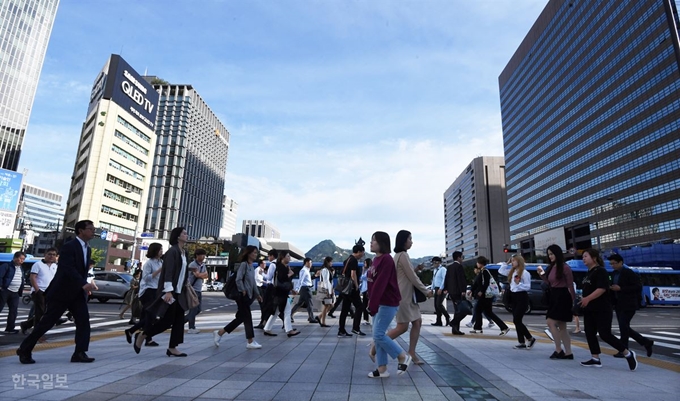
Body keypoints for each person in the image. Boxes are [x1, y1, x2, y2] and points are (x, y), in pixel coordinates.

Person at [17, 220, 98, 364]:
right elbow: (67, 268)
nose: (93, 231)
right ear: (80, 230)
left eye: (94, 229)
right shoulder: (69, 246)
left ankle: (79, 352)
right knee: (47, 322)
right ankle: (24, 349)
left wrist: (86, 284)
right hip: (62, 292)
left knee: (84, 321)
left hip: (78, 293)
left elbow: (81, 270)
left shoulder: (88, 248)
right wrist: (83, 283)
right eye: (90, 229)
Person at [370, 230, 432, 364]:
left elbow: (407, 273)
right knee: (402, 327)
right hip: (403, 297)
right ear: (404, 241)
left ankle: (411, 352)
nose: (411, 242)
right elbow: (412, 276)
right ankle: (377, 345)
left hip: (408, 296)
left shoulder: (398, 256)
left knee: (417, 322)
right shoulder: (402, 255)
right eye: (410, 239)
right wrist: (426, 291)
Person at [133, 227, 190, 357]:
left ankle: (172, 347)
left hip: (179, 291)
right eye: (184, 233)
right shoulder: (172, 252)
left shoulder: (184, 253)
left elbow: (183, 272)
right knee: (167, 321)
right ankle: (143, 335)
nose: (187, 235)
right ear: (177, 237)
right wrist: (168, 290)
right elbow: (168, 272)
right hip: (170, 291)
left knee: (179, 320)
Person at [578, 248, 637, 371]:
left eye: (586, 256)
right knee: (589, 332)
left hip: (602, 308)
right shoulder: (588, 273)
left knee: (605, 334)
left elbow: (602, 288)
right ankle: (595, 358)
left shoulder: (601, 271)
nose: (583, 258)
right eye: (583, 256)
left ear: (594, 258)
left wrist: (587, 298)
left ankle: (628, 353)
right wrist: (583, 299)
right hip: (589, 309)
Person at [366, 231, 412, 378]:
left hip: (387, 303)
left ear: (382, 243)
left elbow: (380, 285)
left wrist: (372, 305)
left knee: (378, 334)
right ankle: (382, 369)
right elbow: (372, 284)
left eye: (374, 240)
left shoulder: (386, 259)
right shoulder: (376, 260)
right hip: (378, 303)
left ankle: (402, 356)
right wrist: (370, 302)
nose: (371, 243)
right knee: (377, 336)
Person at [213, 245, 263, 349]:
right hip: (242, 296)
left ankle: (219, 333)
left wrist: (258, 294)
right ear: (249, 254)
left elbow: (253, 283)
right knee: (247, 317)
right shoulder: (244, 265)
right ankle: (250, 341)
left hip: (248, 296)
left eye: (256, 252)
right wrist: (242, 289)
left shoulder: (251, 267)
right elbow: (238, 279)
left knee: (241, 318)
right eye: (254, 252)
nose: (255, 254)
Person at [607, 254, 654, 358]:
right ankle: (645, 343)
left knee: (624, 327)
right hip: (618, 304)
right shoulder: (614, 273)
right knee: (624, 327)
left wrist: (621, 289)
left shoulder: (628, 272)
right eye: (611, 264)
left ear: (621, 262)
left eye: (614, 263)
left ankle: (624, 350)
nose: (612, 265)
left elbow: (637, 287)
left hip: (629, 304)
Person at [537, 244, 576, 359]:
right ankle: (568, 352)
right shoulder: (551, 267)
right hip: (554, 295)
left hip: (563, 296)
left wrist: (574, 302)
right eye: (549, 254)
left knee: (550, 322)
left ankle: (559, 350)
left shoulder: (565, 267)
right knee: (562, 325)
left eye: (552, 254)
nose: (550, 256)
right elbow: (550, 283)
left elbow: (570, 285)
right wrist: (541, 275)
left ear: (557, 254)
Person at [125, 243, 163, 347]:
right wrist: (160, 270)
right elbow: (146, 278)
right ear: (154, 251)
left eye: (162, 249)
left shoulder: (161, 262)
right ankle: (142, 335)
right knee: (151, 315)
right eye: (160, 249)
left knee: (149, 316)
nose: (161, 251)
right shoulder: (149, 263)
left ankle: (135, 333)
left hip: (156, 290)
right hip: (148, 290)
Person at [499, 255, 536, 350]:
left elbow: (528, 286)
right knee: (516, 320)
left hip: (522, 296)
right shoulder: (513, 272)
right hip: (513, 297)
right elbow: (501, 271)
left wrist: (518, 284)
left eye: (513, 261)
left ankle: (530, 338)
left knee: (517, 320)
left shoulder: (525, 273)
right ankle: (521, 342)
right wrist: (505, 263)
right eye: (511, 261)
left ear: (519, 261)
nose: (512, 263)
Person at [19, 248, 58, 339]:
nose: (51, 256)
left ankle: (26, 325)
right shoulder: (38, 265)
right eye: (49, 254)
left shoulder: (55, 266)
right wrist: (37, 290)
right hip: (39, 291)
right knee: (40, 312)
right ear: (45, 254)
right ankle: (37, 334)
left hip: (51, 292)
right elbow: (33, 278)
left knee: (47, 313)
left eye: (53, 254)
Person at [263, 250, 300, 337]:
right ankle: (289, 330)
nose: (289, 258)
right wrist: (290, 274)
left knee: (276, 312)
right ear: (282, 257)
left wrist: (291, 289)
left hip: (280, 293)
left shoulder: (283, 266)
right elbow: (281, 279)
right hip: (280, 293)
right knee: (287, 311)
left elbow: (284, 281)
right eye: (287, 256)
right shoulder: (281, 267)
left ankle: (267, 328)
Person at [470, 256, 510, 335]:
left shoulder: (485, 271)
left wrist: (482, 291)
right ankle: (503, 327)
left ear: (481, 263)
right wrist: (472, 290)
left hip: (485, 295)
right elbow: (477, 284)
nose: (477, 264)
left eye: (478, 263)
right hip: (486, 295)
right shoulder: (482, 271)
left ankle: (478, 328)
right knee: (488, 312)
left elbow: (486, 283)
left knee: (478, 310)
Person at [338, 244, 366, 337]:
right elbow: (353, 274)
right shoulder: (354, 260)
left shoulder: (347, 259)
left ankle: (341, 330)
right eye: (362, 253)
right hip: (352, 288)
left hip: (345, 288)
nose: (362, 255)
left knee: (345, 309)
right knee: (360, 306)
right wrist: (357, 286)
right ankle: (356, 328)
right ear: (358, 252)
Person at [0, 251, 27, 334]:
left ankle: (10, 328)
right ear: (15, 258)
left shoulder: (21, 268)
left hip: (15, 292)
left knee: (13, 310)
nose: (22, 261)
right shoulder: (6, 266)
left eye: (23, 259)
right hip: (5, 290)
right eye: (20, 258)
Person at [442, 251, 468, 335]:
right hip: (458, 292)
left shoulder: (450, 267)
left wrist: (446, 288)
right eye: (462, 257)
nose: (462, 259)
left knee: (457, 310)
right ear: (458, 257)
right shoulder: (459, 267)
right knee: (461, 310)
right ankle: (453, 323)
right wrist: (463, 290)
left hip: (451, 292)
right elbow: (461, 279)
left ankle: (455, 329)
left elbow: (447, 278)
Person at [185, 248, 208, 334]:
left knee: (198, 309)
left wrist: (201, 275)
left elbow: (206, 275)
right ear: (197, 256)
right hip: (192, 289)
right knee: (193, 309)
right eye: (202, 255)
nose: (203, 256)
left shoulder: (203, 265)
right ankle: (191, 327)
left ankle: (183, 321)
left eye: (204, 255)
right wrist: (201, 275)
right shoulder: (192, 264)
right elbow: (197, 275)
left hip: (199, 289)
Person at [255, 249, 278, 329]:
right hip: (273, 287)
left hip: (270, 287)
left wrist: (263, 274)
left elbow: (269, 277)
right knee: (273, 306)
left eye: (268, 256)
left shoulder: (272, 265)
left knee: (267, 306)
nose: (268, 258)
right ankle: (264, 322)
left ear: (272, 256)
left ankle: (264, 323)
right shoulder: (278, 263)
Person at [291, 258, 318, 323]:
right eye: (310, 262)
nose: (311, 264)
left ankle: (290, 315)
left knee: (300, 303)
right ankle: (311, 318)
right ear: (306, 262)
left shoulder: (307, 270)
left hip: (305, 288)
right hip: (305, 289)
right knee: (310, 303)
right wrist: (297, 289)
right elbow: (301, 280)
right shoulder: (304, 270)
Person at [315, 256, 334, 328]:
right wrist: (328, 291)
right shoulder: (325, 270)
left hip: (328, 289)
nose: (332, 263)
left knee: (330, 305)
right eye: (331, 262)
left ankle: (319, 317)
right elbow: (326, 281)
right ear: (328, 262)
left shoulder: (327, 270)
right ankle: (323, 322)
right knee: (327, 305)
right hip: (326, 290)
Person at [430, 257, 449, 327]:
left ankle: (447, 317)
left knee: (439, 304)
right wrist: (432, 289)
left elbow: (444, 279)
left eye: (435, 262)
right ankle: (438, 321)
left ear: (439, 262)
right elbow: (433, 280)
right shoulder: (435, 270)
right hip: (436, 288)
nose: (434, 264)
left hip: (442, 288)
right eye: (433, 263)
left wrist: (441, 288)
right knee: (436, 305)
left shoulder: (443, 269)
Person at [360, 258, 371, 325]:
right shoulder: (367, 270)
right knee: (365, 304)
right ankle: (366, 319)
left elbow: (363, 278)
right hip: (365, 289)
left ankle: (366, 319)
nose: (364, 264)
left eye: (365, 263)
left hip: (366, 289)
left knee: (365, 304)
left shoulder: (368, 270)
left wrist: (363, 271)